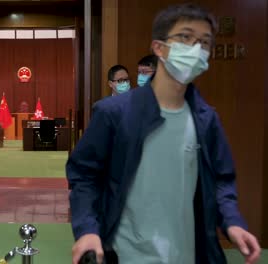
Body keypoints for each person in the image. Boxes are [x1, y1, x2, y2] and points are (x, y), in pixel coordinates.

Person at [67, 3, 261, 264]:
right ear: (159, 47)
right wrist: (87, 229)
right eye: (185, 37)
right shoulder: (114, 113)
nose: (195, 49)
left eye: (204, 42)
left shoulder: (206, 119)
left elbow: (221, 181)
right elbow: (84, 176)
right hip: (127, 256)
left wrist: (233, 222)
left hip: (189, 255)